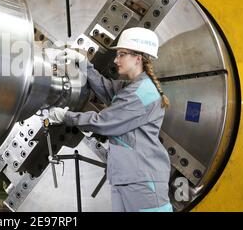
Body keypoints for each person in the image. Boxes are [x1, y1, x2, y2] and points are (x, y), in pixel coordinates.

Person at [48, 27, 172, 212]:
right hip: (125, 178)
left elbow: (104, 122)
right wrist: (83, 64)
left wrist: (64, 116)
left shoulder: (141, 93)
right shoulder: (133, 87)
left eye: (122, 54)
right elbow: (107, 89)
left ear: (138, 58)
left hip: (142, 181)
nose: (116, 60)